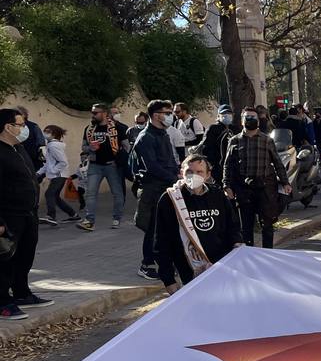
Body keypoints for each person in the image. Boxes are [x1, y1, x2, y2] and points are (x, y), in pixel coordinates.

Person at [154, 153, 242, 294]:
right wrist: (168, 279)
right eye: (189, 172)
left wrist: (237, 243)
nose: (194, 175)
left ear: (208, 175)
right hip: (189, 270)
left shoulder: (217, 195)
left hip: (221, 265)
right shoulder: (170, 200)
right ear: (181, 173)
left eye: (199, 172)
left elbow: (232, 225)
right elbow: (162, 241)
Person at [0, 108, 54, 320]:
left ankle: (22, 293)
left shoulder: (18, 148)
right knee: (5, 259)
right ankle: (3, 301)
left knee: (25, 256)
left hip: (28, 213)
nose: (25, 129)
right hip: (9, 215)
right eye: (21, 125)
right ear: (7, 127)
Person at [223, 107, 291, 250]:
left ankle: (268, 253)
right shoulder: (234, 141)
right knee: (246, 227)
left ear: (259, 121)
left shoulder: (267, 140)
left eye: (253, 117)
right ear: (242, 121)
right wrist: (226, 185)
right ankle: (249, 255)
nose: (251, 120)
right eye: (247, 117)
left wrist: (285, 182)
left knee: (267, 225)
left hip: (265, 188)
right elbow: (227, 165)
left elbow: (277, 162)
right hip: (243, 189)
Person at [132, 100, 182, 280]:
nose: (170, 115)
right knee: (153, 228)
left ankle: (164, 261)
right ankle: (147, 264)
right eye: (167, 112)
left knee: (165, 228)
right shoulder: (146, 138)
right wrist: (174, 178)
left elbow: (168, 160)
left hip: (166, 186)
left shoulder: (163, 134)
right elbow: (152, 166)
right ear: (155, 115)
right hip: (153, 189)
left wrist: (179, 172)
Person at [76, 102, 129, 231]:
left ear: (104, 113)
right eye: (92, 112)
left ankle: (116, 218)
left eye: (95, 112)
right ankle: (89, 221)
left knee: (117, 193)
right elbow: (83, 147)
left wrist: (120, 160)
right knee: (90, 193)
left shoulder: (118, 128)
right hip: (95, 165)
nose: (92, 115)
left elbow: (127, 147)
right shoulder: (89, 129)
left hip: (112, 165)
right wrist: (90, 148)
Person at [37, 125, 79, 225]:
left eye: (48, 131)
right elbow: (48, 163)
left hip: (59, 175)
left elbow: (63, 162)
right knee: (55, 197)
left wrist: (54, 171)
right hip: (59, 174)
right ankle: (73, 215)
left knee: (49, 194)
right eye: (45, 131)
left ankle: (51, 216)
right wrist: (38, 173)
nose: (45, 133)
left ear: (54, 134)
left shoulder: (53, 146)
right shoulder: (51, 145)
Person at [200, 104, 237, 190]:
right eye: (224, 114)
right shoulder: (213, 129)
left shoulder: (235, 129)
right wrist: (212, 165)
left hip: (234, 167)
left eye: (229, 113)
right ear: (218, 116)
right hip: (218, 167)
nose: (227, 116)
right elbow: (206, 148)